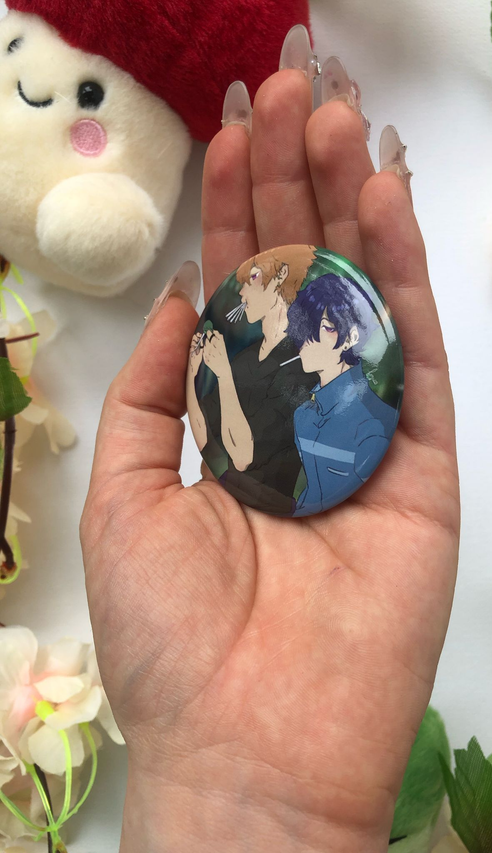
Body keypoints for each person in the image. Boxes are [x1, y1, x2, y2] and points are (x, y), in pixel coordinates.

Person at [80, 24, 460, 853]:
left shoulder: (349, 412)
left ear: (332, 337)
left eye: (308, 329)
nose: (291, 334)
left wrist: (220, 384)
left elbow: (257, 454)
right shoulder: (298, 382)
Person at [187, 246, 318, 515]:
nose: (242, 292)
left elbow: (243, 457)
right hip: (225, 502)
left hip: (275, 504)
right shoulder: (245, 359)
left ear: (281, 276)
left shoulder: (303, 365)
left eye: (253, 279)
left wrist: (223, 375)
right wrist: (192, 372)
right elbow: (203, 433)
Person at [286, 273, 399, 515]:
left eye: (325, 328)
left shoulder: (370, 425)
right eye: (304, 325)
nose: (307, 340)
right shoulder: (303, 416)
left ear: (351, 338)